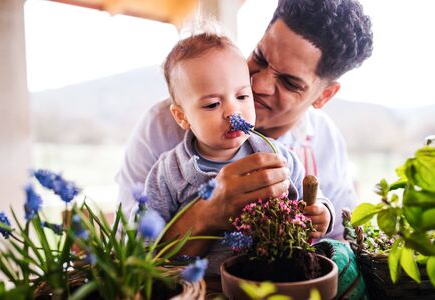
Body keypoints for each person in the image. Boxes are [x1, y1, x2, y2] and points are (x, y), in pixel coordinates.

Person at [116, 0, 373, 253]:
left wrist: (321, 214)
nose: (258, 85)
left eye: (289, 82)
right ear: (182, 115)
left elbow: (343, 240)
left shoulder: (322, 143)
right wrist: (208, 211)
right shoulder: (162, 132)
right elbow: (132, 251)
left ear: (323, 96)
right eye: (260, 58)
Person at [139, 31, 335, 272]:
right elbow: (148, 246)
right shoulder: (168, 173)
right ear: (182, 116)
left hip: (271, 277)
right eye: (212, 104)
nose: (234, 112)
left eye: (243, 96)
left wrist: (322, 212)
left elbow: (310, 200)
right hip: (202, 288)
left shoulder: (276, 157)